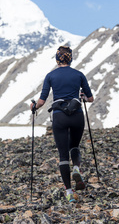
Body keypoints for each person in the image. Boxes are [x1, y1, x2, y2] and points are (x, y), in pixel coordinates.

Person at [30, 46, 94, 203]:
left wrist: (33, 107)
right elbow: (90, 98)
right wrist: (82, 97)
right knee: (75, 146)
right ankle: (77, 169)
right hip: (77, 115)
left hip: (59, 117)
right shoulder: (79, 75)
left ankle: (69, 193)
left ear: (57, 59)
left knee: (63, 155)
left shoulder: (51, 76)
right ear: (70, 59)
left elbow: (42, 101)